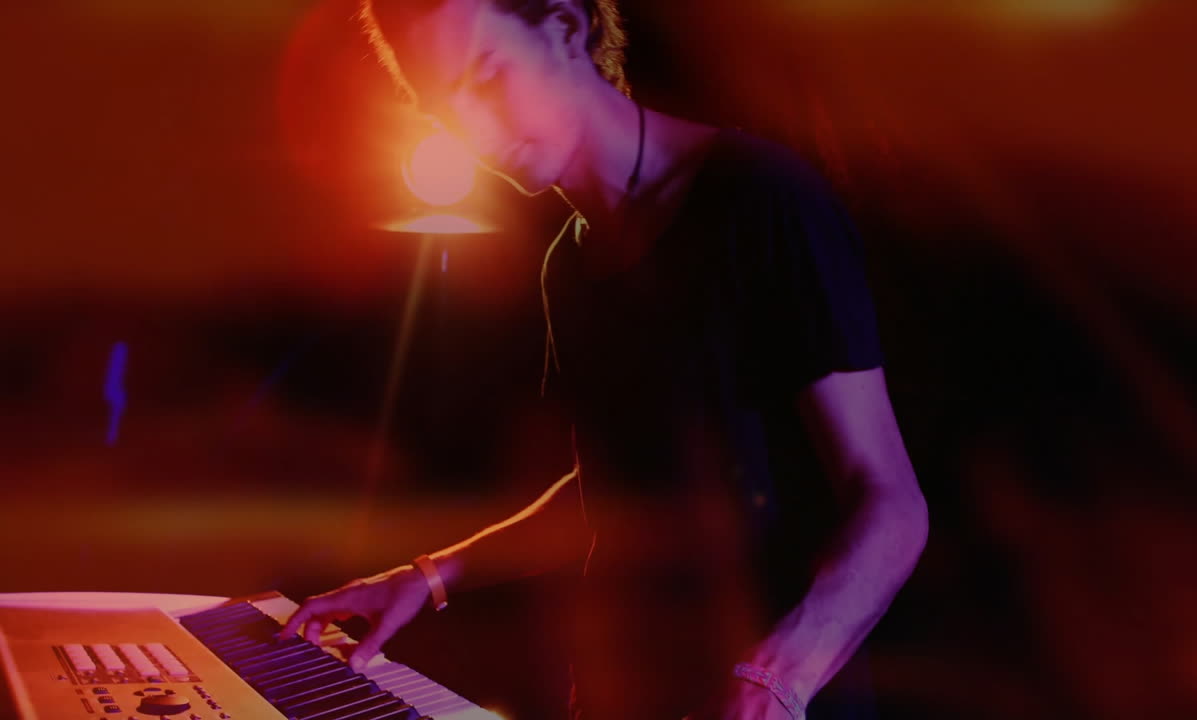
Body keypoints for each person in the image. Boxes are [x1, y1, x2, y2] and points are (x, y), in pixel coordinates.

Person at [281, 1, 929, 718]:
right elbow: (604, 489)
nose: (473, 131)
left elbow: (894, 508)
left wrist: (773, 678)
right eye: (443, 108)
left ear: (565, 28)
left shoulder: (765, 201)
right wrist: (430, 575)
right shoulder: (569, 263)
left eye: (487, 75)